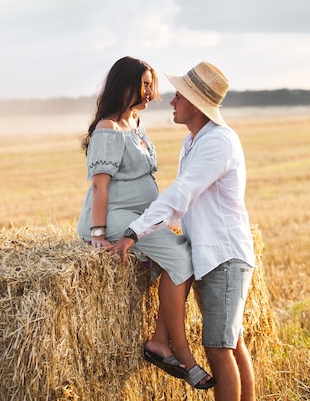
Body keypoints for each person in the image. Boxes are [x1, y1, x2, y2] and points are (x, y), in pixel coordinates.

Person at [107, 61, 256, 401]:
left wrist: (134, 230)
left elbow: (181, 193)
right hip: (211, 255)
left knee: (219, 348)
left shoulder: (218, 142)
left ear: (197, 104)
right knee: (231, 343)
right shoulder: (193, 143)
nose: (171, 102)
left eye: (179, 97)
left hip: (224, 257)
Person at [77, 56, 214, 390]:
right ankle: (177, 348)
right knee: (182, 258)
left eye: (152, 84)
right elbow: (100, 185)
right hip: (115, 218)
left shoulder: (136, 123)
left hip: (141, 217)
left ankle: (158, 340)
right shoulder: (108, 128)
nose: (152, 91)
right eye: (145, 84)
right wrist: (97, 233)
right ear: (125, 86)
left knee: (184, 250)